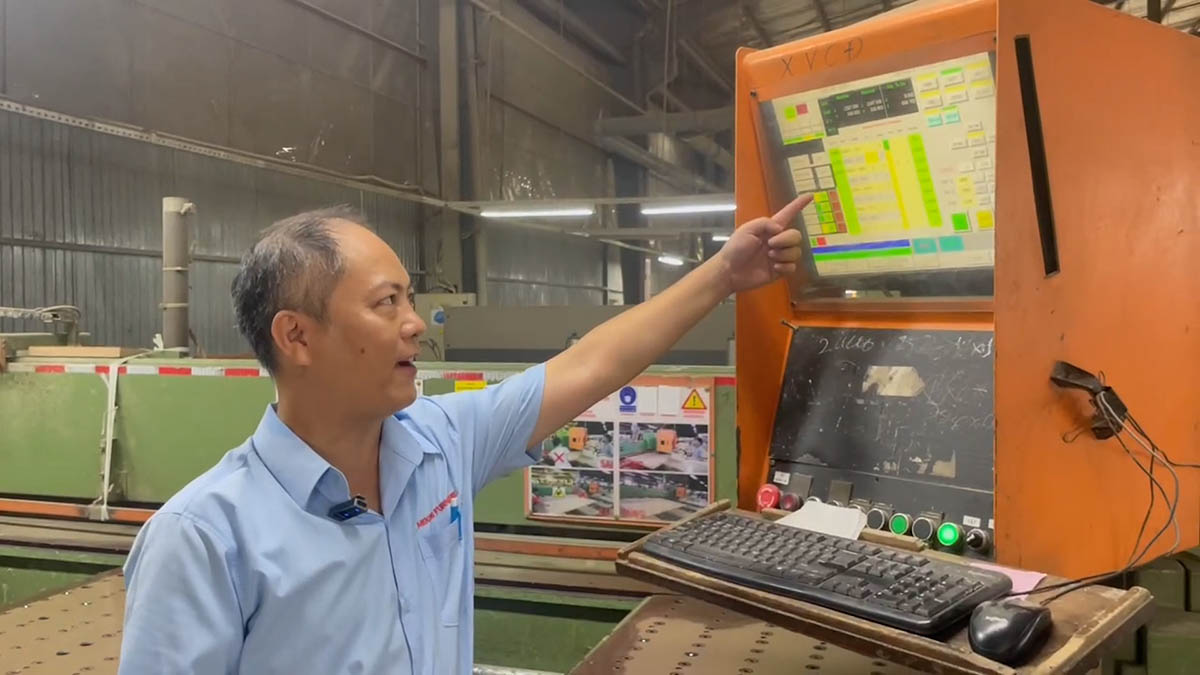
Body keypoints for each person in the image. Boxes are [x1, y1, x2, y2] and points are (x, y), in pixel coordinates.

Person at [118, 195, 812, 674]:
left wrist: (723, 275)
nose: (415, 322)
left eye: (409, 299)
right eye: (386, 303)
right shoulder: (205, 540)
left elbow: (590, 364)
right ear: (296, 335)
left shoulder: (438, 443)